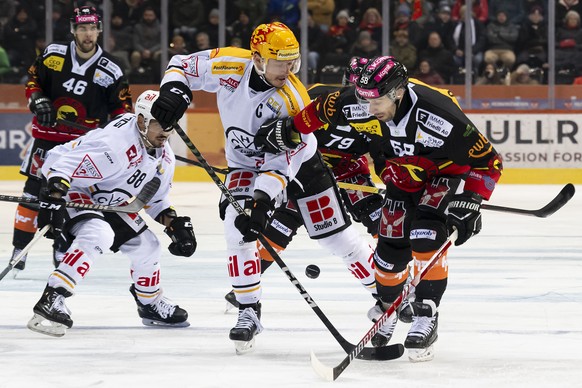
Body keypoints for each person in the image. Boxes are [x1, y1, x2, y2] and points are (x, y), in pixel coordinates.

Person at [151, 22, 377, 354]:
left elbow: (285, 162)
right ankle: (248, 310)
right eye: (282, 61)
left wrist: (262, 202)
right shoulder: (229, 64)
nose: (290, 70)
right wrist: (173, 91)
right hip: (244, 165)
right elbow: (180, 66)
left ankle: (386, 293)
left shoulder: (292, 100)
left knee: (337, 239)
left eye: (294, 62)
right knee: (236, 229)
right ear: (258, 59)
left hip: (303, 169)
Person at [259, 55, 503, 362]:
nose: (369, 109)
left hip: (444, 174)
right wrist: (290, 128)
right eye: (364, 100)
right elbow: (321, 110)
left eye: (376, 102)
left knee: (427, 234)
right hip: (403, 177)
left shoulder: (439, 113)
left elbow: (489, 161)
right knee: (388, 254)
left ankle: (426, 313)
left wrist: (471, 199)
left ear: (398, 92)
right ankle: (389, 309)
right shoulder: (359, 102)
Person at [27, 90, 196, 338]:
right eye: (159, 123)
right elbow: (60, 165)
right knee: (99, 233)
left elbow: (154, 199)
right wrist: (54, 199)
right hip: (73, 187)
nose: (166, 131)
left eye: (170, 124)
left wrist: (174, 224)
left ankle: (149, 303)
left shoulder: (163, 156)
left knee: (147, 245)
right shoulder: (115, 149)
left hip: (107, 198)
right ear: (141, 121)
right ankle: (53, 297)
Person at [9, 6, 132, 274]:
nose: (88, 34)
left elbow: (122, 111)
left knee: (67, 197)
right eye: (82, 28)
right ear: (73, 30)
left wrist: (113, 133)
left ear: (99, 29)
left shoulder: (110, 69)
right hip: (46, 138)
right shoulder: (53, 54)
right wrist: (38, 98)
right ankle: (19, 250)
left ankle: (62, 248)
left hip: (81, 147)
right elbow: (33, 80)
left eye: (92, 28)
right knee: (32, 194)